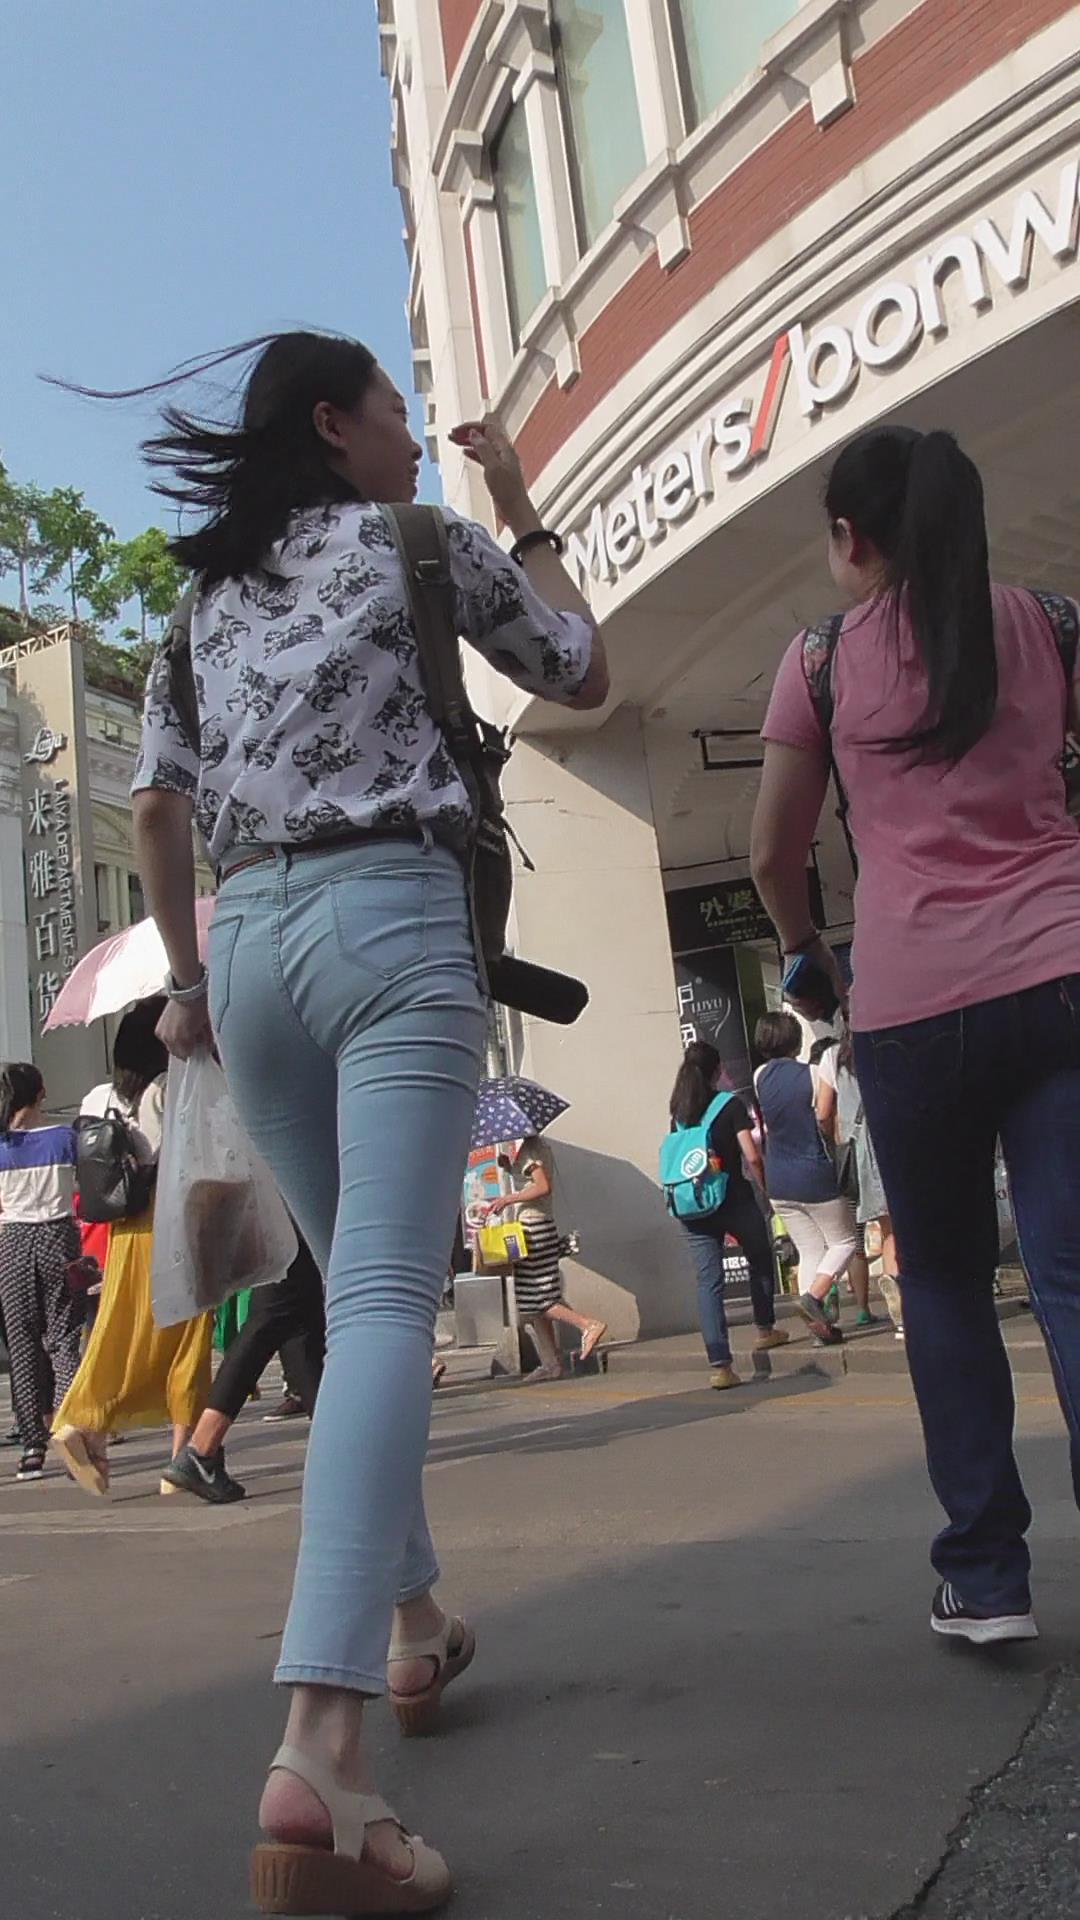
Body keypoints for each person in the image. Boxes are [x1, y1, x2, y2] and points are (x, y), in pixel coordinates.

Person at [128, 329, 607, 1914]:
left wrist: (188, 980)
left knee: (355, 1291)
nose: (414, 433)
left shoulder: (201, 606)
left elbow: (157, 806)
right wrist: (522, 503)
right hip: (393, 918)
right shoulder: (421, 541)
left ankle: (410, 1629)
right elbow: (578, 665)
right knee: (395, 1302)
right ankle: (320, 1749)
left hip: (251, 952)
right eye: (396, 411)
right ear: (337, 423)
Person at [751, 420, 1080, 1645]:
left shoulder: (821, 661)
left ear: (852, 538)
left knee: (941, 1282)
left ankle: (988, 1583)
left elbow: (772, 851)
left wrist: (808, 950)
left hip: (912, 1005)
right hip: (1061, 979)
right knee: (1073, 1270)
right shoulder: (1049, 625)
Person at [51, 998, 213, 1497]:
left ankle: (87, 1426)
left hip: (124, 1230)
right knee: (187, 1338)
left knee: (121, 1329)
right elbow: (180, 1157)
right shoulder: (168, 1088)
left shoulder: (99, 1098)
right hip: (172, 1221)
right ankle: (181, 1459)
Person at [163, 1234, 326, 1503]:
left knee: (298, 1316)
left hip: (273, 1218)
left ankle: (336, 1446)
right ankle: (201, 1449)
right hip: (283, 1218)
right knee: (276, 1307)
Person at [664, 1042, 788, 1389]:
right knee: (759, 1256)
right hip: (732, 1199)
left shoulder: (678, 1112)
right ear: (717, 1070)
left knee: (709, 1283)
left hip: (692, 1205)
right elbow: (752, 1155)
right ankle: (765, 1328)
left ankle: (721, 1366)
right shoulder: (729, 1104)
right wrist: (766, 1188)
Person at [753, 1013, 858, 1345]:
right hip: (813, 1172)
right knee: (844, 1242)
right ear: (796, 1041)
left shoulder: (759, 1076)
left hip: (778, 1178)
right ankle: (814, 1297)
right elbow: (824, 1116)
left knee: (810, 1249)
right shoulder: (814, 1074)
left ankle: (819, 1329)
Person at [0, 1064, 83, 1483]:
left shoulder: (2, 1143)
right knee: (65, 1339)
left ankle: (32, 1445)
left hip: (12, 1241)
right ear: (41, 1093)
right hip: (59, 1236)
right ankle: (70, 1431)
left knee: (23, 1344)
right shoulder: (65, 1138)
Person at [483, 1138, 606, 1383]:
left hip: (533, 1228)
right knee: (532, 1301)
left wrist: (508, 1199)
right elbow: (533, 1183)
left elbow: (542, 1187)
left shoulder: (529, 1150)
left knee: (539, 1299)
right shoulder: (537, 1149)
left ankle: (587, 1325)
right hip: (539, 1225)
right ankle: (551, 1362)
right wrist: (510, 1168)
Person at [816, 1031, 902, 1335]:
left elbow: (822, 1112)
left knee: (885, 1231)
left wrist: (837, 1138)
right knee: (909, 1226)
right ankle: (914, 1297)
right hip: (897, 1137)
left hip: (861, 1151)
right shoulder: (888, 1039)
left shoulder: (832, 1056)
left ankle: (898, 1309)